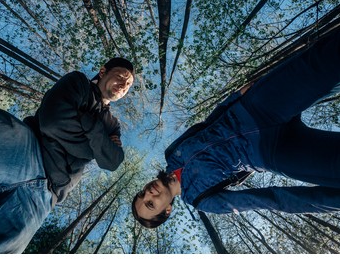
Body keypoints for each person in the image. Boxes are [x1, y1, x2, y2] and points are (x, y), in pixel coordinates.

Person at [132, 26, 340, 229]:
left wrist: (235, 97)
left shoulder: (172, 153)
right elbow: (270, 200)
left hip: (255, 107)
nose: (148, 193)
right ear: (166, 210)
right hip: (273, 152)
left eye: (142, 194)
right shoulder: (201, 200)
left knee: (324, 61)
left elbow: (206, 124)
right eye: (151, 204)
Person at [0, 57, 135, 252]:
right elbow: (53, 122)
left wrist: (87, 121)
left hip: (42, 199)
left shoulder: (113, 125)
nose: (124, 85)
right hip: (26, 151)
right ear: (103, 71)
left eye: (129, 84)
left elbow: (113, 160)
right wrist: (95, 147)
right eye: (121, 76)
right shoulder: (79, 82)